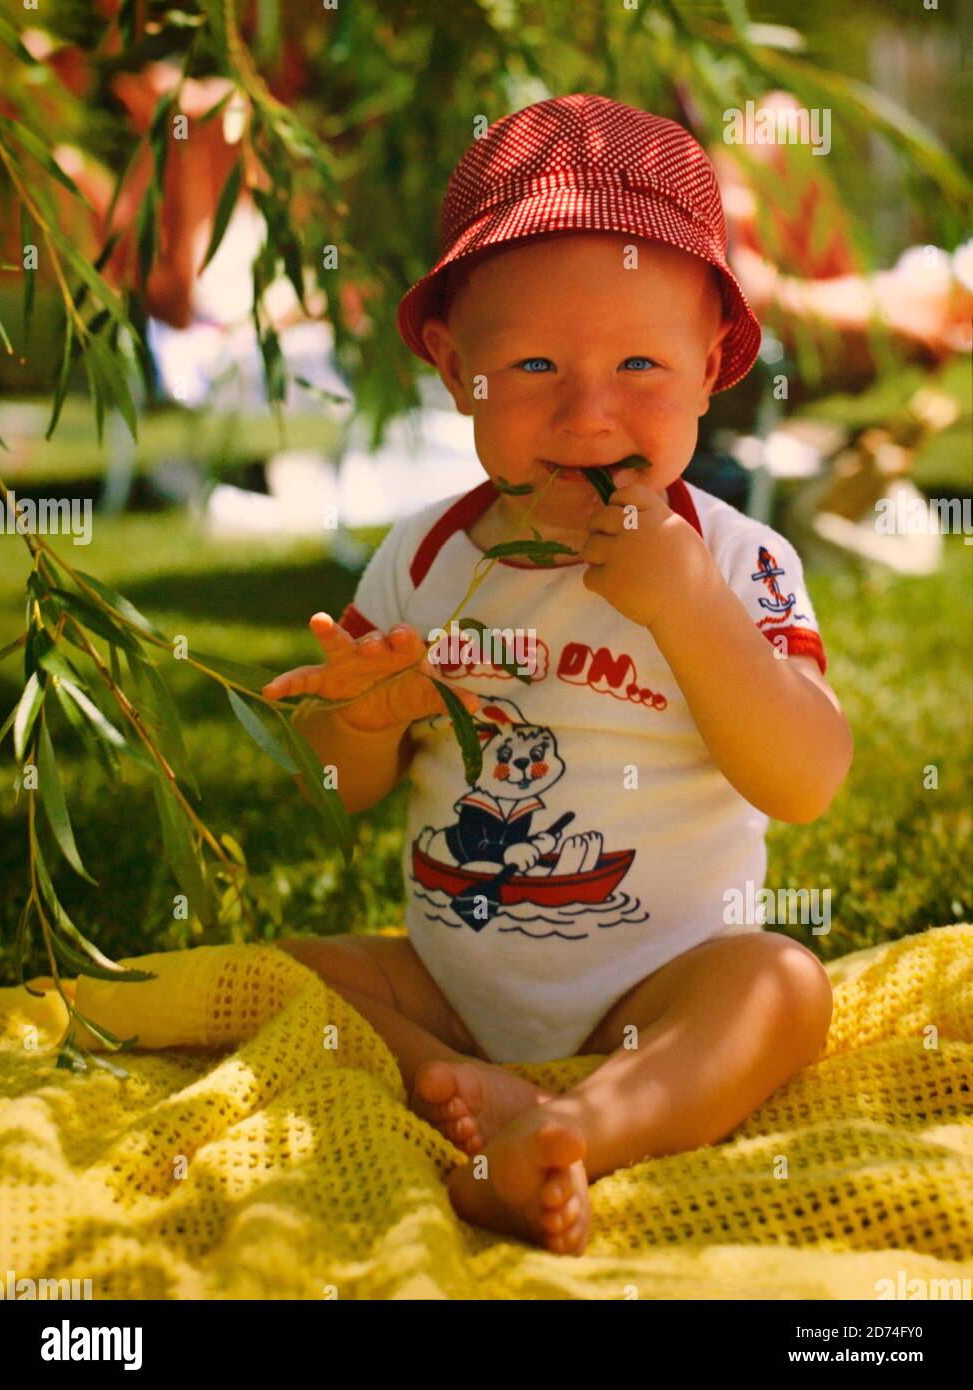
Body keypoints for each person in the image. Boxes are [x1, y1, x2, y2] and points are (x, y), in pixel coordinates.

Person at [261, 96, 852, 1255]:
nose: (587, 413)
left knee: (782, 986)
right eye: (532, 363)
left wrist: (687, 606)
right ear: (452, 365)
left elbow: (806, 779)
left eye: (640, 361)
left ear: (713, 367)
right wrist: (359, 727)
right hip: (452, 979)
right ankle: (473, 1092)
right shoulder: (424, 559)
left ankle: (570, 1126)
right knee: (287, 976)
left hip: (665, 989)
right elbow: (338, 791)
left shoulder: (737, 561)